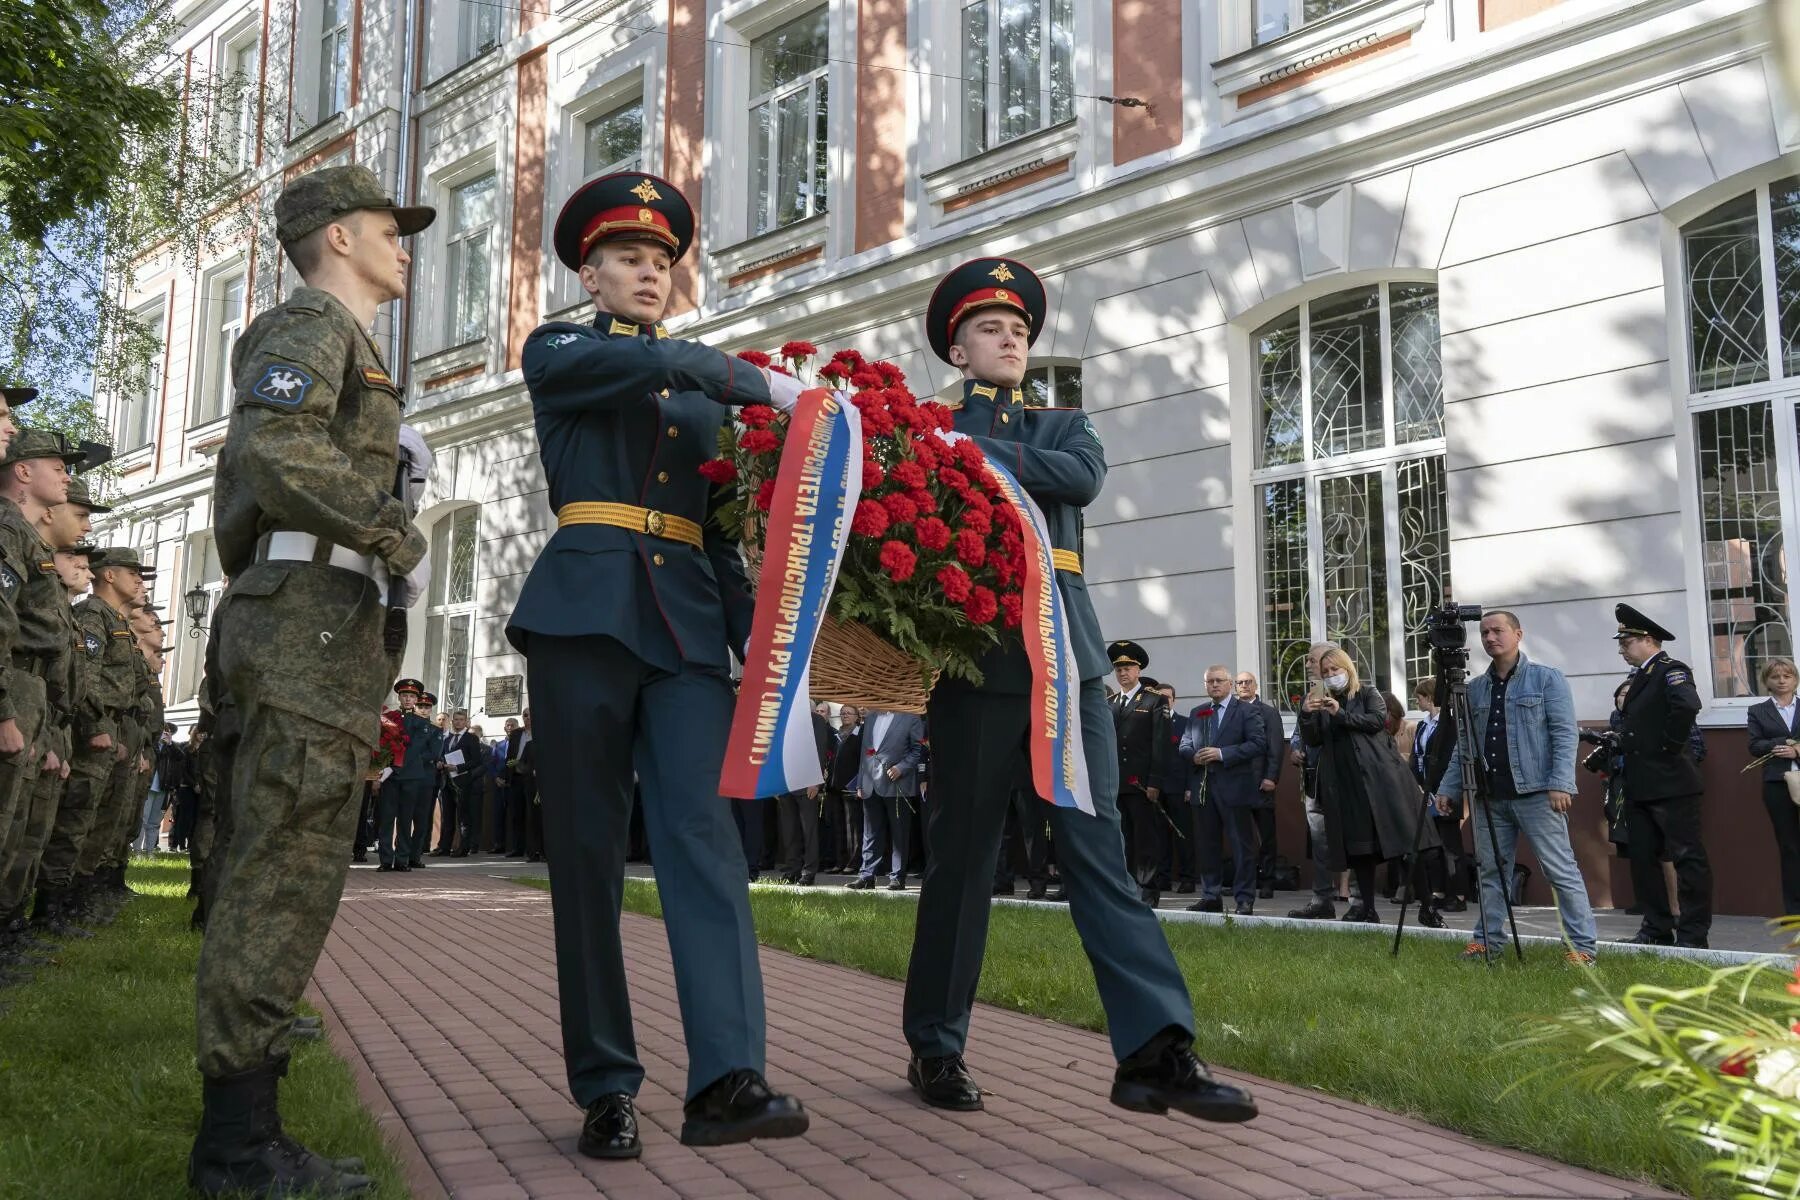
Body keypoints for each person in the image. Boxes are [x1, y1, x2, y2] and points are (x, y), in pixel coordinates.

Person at [898, 257, 1253, 1126]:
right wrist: (952, 446)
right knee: (964, 858)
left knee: (1099, 852)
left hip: (1068, 661)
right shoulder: (927, 424)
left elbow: (1079, 479)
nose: (1011, 337)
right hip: (978, 661)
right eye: (991, 328)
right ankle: (936, 1045)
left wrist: (966, 451)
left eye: (1020, 328)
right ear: (958, 344)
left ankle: (1155, 1050)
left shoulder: (1066, 426)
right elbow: (929, 483)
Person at [505, 170, 810, 1158]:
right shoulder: (562, 348)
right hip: (585, 613)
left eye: (663, 261)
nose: (650, 270)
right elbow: (620, 373)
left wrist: (764, 646)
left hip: (683, 628)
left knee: (704, 842)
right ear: (590, 277)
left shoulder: (697, 398)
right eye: (629, 259)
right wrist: (753, 381)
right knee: (588, 858)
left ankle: (728, 1077)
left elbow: (720, 536)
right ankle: (604, 1083)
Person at [189, 163, 434, 1197]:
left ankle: (246, 1129)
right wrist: (392, 528)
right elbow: (274, 452)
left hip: (310, 622)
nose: (405, 244)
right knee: (283, 872)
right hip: (303, 627)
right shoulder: (310, 327)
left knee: (282, 866)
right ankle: (238, 1150)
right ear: (337, 236)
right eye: (390, 227)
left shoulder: (349, 344)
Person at [1435, 612, 1595, 964]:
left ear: (1518, 634)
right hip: (1489, 798)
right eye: (1485, 632)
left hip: (1538, 793)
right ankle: (1486, 942)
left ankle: (1582, 947)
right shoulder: (1475, 688)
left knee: (1559, 870)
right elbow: (1465, 744)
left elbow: (1565, 734)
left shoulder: (1546, 679)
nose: (1491, 637)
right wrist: (1449, 786)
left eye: (1498, 631)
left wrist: (1560, 783)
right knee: (1491, 872)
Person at [1300, 647, 1437, 925]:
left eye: (1335, 670)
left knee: (1407, 844)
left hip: (1383, 781)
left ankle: (1428, 907)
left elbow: (1377, 722)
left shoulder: (1367, 694)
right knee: (1360, 849)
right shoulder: (1319, 701)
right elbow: (1313, 740)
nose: (1330, 676)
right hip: (1346, 784)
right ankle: (1367, 909)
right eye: (1325, 672)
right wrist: (1305, 715)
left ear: (1347, 669)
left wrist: (1339, 714)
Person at [1612, 603, 1713, 948]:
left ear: (1648, 639)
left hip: (1672, 782)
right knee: (1643, 859)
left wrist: (1670, 746)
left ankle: (1693, 934)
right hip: (1641, 784)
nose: (1622, 650)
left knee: (1687, 858)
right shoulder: (1640, 677)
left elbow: (1686, 705)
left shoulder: (1672, 670)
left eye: (1626, 643)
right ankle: (1656, 928)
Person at [1181, 665, 1268, 915]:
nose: (1215, 685)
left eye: (1219, 680)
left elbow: (1258, 744)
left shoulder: (1246, 711)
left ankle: (1244, 898)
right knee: (1207, 845)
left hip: (1235, 788)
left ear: (1230, 684)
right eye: (1210, 682)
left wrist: (1222, 754)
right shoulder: (1198, 712)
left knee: (1241, 846)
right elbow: (1185, 744)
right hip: (1204, 789)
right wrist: (1193, 756)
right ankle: (1211, 895)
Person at [1109, 642, 1172, 907]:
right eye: (1119, 669)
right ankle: (1126, 885)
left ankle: (1148, 888)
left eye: (1128, 668)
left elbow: (1160, 743)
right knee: (1122, 837)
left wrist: (1155, 781)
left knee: (1145, 838)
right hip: (1116, 782)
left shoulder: (1154, 700)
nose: (1123, 673)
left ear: (1138, 669)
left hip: (1142, 783)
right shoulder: (1110, 702)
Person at [1287, 642, 1343, 919]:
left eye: (1312, 659)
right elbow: (1299, 731)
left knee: (1352, 839)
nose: (1308, 664)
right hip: (1313, 779)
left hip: (1342, 778)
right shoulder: (1310, 695)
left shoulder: (1348, 691)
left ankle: (1360, 900)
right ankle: (1322, 899)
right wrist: (1295, 749)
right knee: (1319, 842)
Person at [1747, 658, 1800, 916]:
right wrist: (1781, 744)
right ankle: (1795, 912)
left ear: (1795, 679)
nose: (1781, 680)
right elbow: (1755, 746)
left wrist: (1796, 752)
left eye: (1787, 676)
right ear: (1766, 680)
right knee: (1789, 846)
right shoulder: (1757, 711)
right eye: (1776, 676)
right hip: (1777, 784)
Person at [850, 708, 925, 890]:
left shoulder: (911, 718)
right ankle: (867, 875)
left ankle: (898, 877)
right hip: (870, 784)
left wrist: (902, 767)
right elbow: (865, 752)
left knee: (899, 833)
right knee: (870, 831)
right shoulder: (871, 717)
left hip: (897, 783)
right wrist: (860, 781)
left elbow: (918, 749)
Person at [1232, 671, 1284, 898]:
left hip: (1261, 782)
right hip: (1235, 784)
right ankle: (1245, 881)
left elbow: (1275, 747)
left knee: (1266, 836)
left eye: (1247, 682)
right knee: (1240, 836)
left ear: (1255, 686)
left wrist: (1271, 777)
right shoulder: (1230, 711)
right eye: (1239, 683)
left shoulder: (1269, 713)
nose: (1243, 686)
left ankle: (1267, 881)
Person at [377, 681, 436, 871]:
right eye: (404, 695)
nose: (408, 699)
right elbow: (382, 745)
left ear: (416, 699)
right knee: (386, 818)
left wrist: (393, 767)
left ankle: (402, 859)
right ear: (399, 697)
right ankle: (386, 860)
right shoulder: (389, 719)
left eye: (412, 696)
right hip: (390, 778)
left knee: (405, 819)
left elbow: (414, 749)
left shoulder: (422, 722)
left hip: (410, 776)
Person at [437, 708, 485, 856]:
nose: (458, 722)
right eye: (456, 720)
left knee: (463, 816)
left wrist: (458, 767)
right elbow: (442, 756)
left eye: (461, 720)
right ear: (452, 721)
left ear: (466, 722)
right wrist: (440, 763)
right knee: (447, 816)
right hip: (447, 781)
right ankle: (444, 847)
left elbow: (477, 761)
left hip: (463, 782)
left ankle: (463, 848)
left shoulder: (471, 739)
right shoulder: (447, 739)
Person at [825, 706, 862, 873]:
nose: (845, 715)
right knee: (837, 825)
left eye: (849, 713)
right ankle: (840, 861)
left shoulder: (859, 734)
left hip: (850, 787)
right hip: (834, 787)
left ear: (857, 717)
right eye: (843, 712)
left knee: (852, 826)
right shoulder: (835, 736)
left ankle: (853, 862)